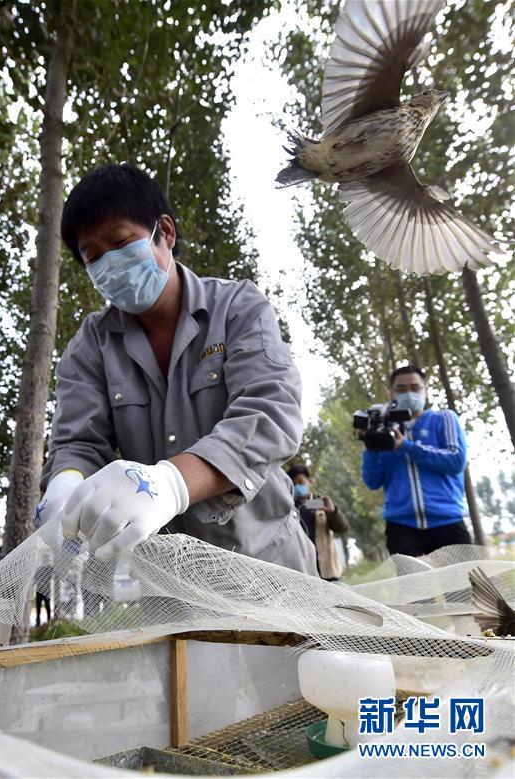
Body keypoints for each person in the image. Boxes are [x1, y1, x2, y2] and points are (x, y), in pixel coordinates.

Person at [33, 164, 315, 574]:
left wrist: (171, 484)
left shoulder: (237, 307)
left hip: (270, 564)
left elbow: (271, 412)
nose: (109, 264)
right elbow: (77, 441)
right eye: (93, 257)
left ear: (164, 232)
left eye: (120, 242)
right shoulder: (89, 347)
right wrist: (66, 485)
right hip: (168, 584)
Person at [361, 364, 471, 556]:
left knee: (462, 585)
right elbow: (372, 482)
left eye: (415, 387)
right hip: (401, 528)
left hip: (448, 522)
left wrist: (406, 446)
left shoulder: (444, 418)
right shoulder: (383, 429)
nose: (409, 393)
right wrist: (371, 446)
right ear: (391, 394)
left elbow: (456, 461)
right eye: (401, 389)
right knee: (414, 586)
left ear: (425, 391)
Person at [287, 465, 349, 581]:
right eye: (294, 484)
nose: (298, 486)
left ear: (309, 481)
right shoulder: (289, 506)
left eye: (301, 482)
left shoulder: (322, 503)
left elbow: (342, 528)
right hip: (301, 570)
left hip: (327, 569)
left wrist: (333, 512)